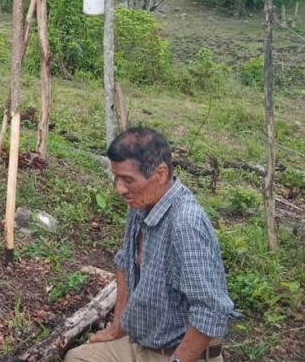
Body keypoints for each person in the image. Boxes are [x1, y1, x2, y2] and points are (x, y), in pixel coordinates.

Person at [65, 127, 236, 362]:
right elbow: (125, 263)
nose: (119, 189)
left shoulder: (186, 223)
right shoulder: (141, 204)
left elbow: (211, 310)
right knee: (77, 358)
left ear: (160, 174)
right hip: (142, 344)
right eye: (116, 177)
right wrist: (117, 327)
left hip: (183, 354)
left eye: (128, 179)